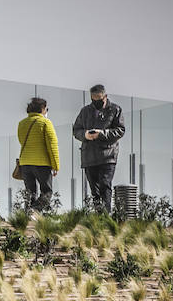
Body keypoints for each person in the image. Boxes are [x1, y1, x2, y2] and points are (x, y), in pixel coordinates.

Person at [72, 84, 126, 212]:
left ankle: (106, 217)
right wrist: (85, 135)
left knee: (105, 185)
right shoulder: (85, 111)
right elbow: (76, 130)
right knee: (94, 191)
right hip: (89, 156)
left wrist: (101, 133)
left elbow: (120, 130)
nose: (96, 102)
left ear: (105, 96)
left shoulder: (115, 110)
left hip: (108, 155)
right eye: (93, 100)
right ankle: (98, 216)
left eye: (99, 99)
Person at [17, 97, 60, 212]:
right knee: (47, 192)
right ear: (42, 109)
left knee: (30, 193)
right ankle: (34, 210)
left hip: (25, 163)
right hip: (42, 163)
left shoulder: (22, 123)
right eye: (46, 109)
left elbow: (21, 141)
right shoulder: (45, 123)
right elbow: (52, 146)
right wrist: (55, 165)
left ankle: (28, 217)